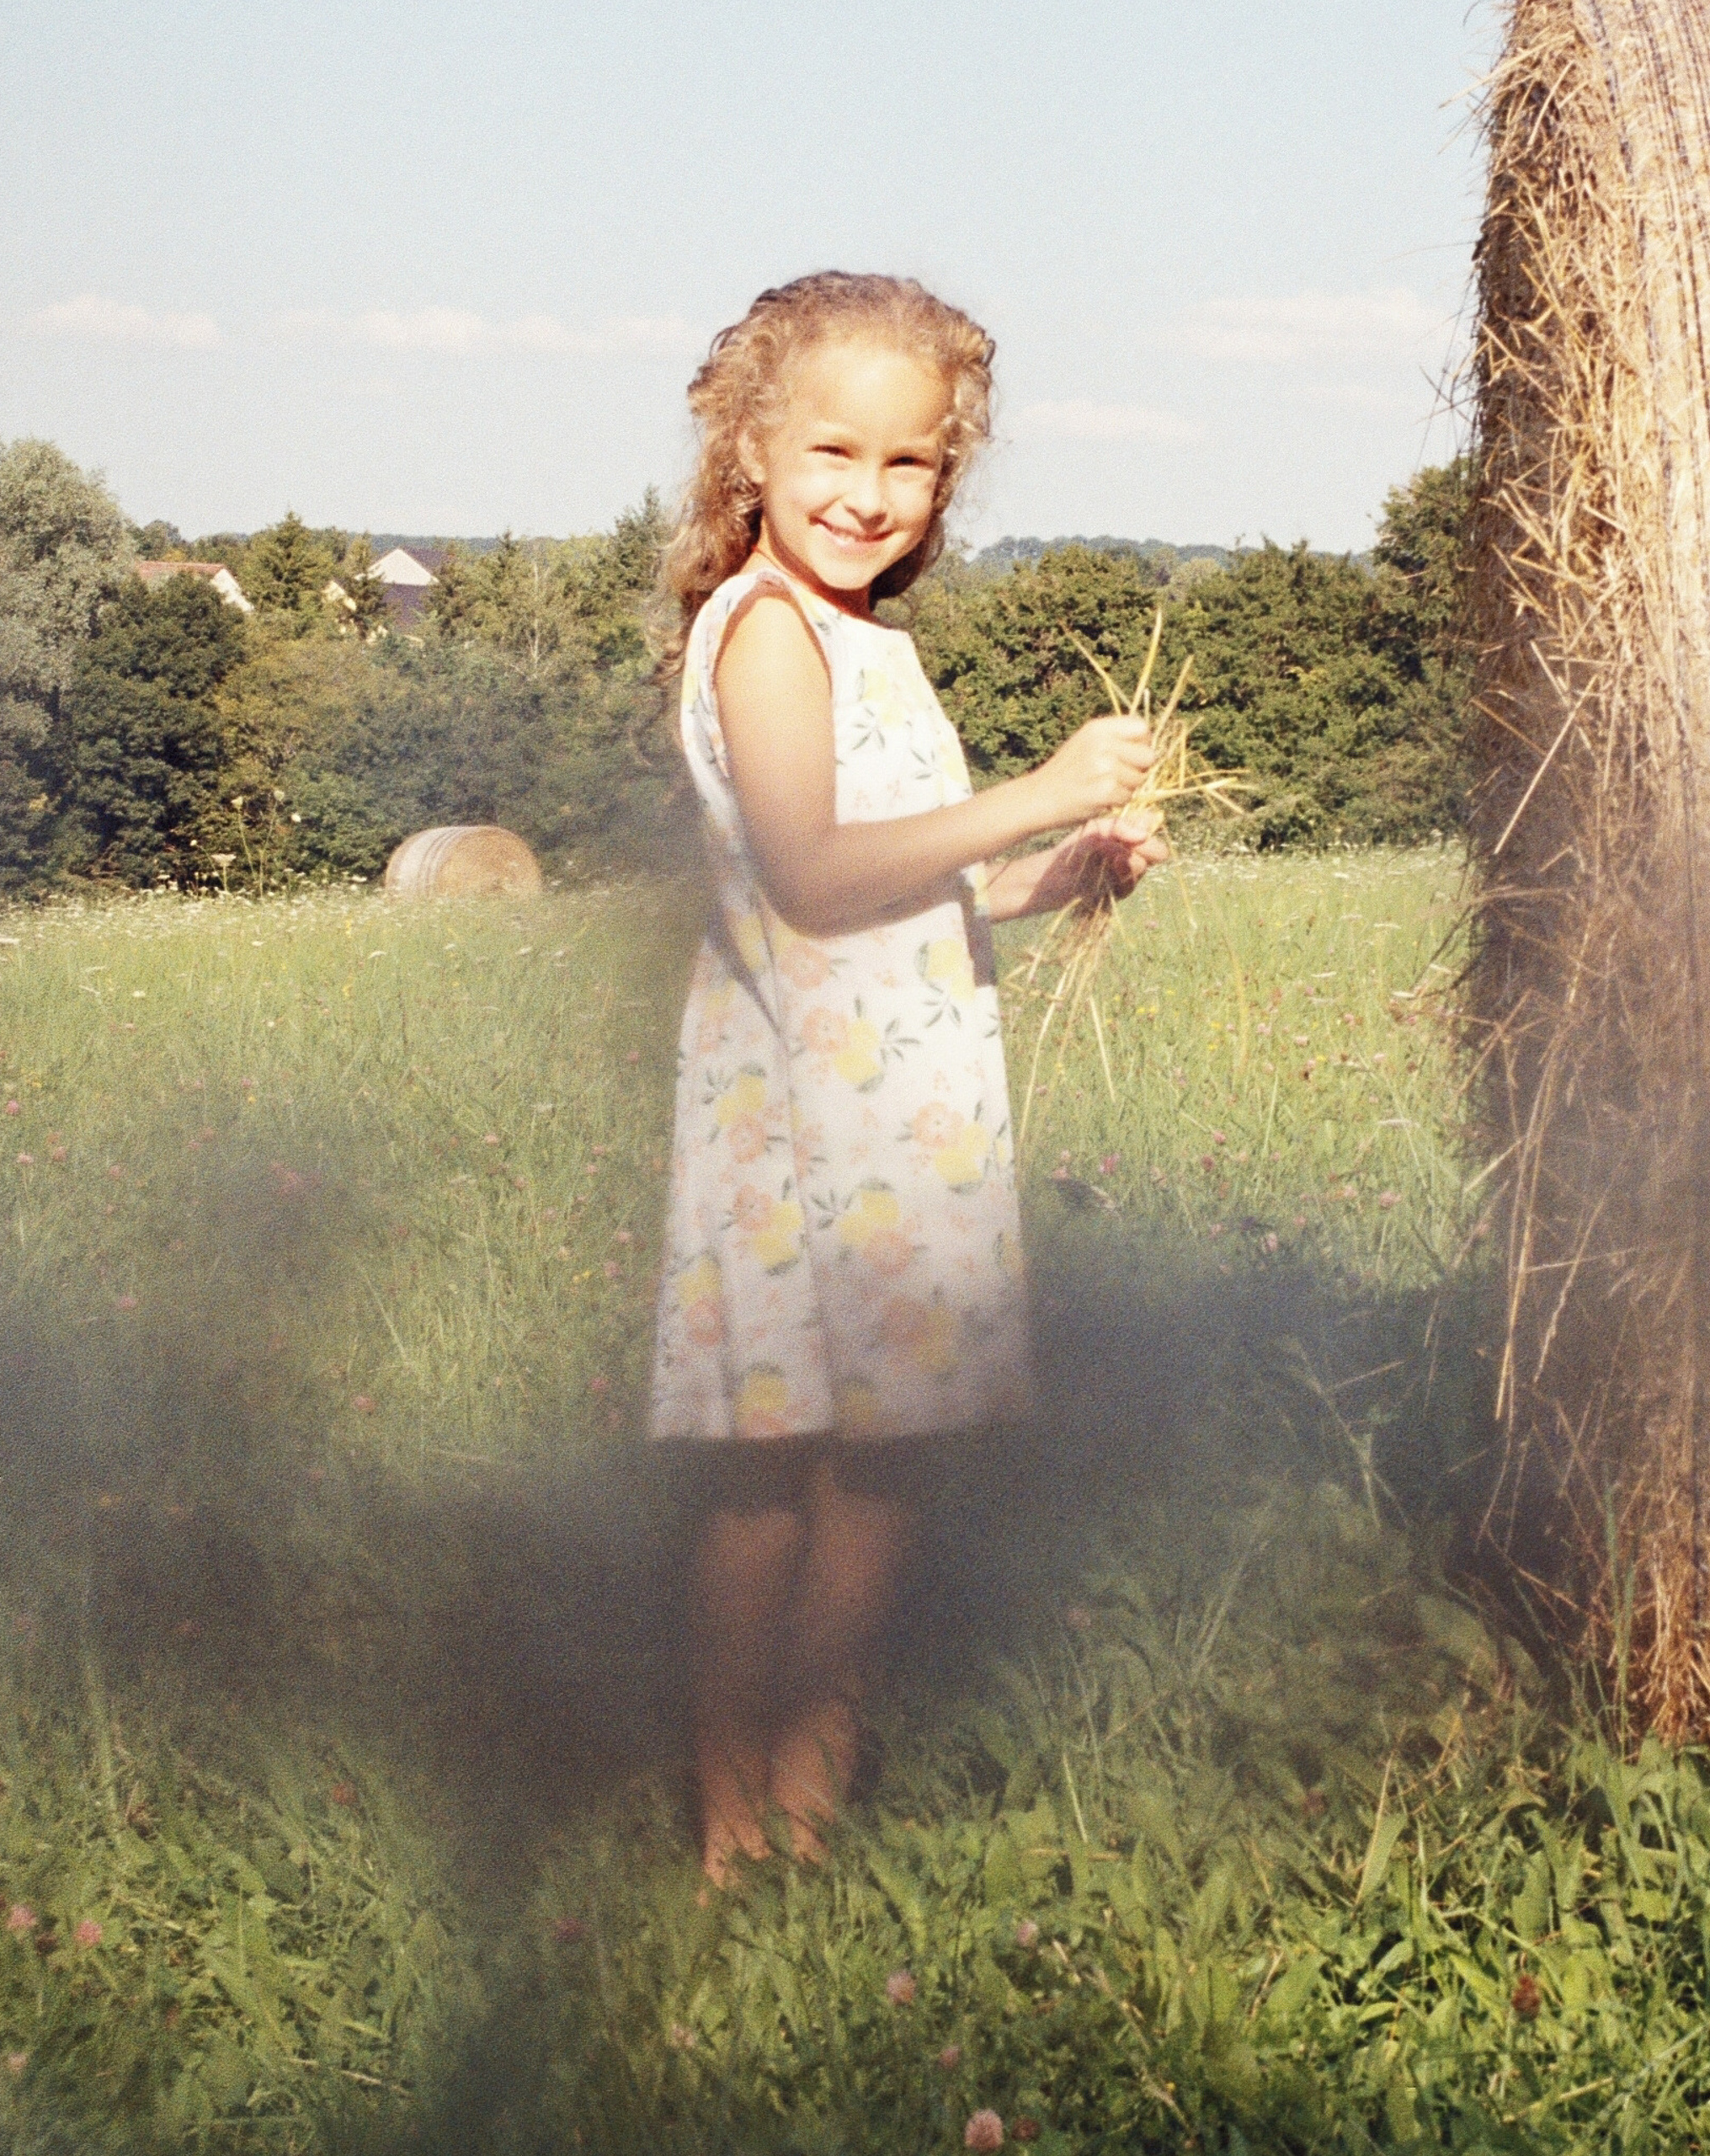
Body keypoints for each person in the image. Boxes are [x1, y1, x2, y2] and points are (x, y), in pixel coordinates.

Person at [650, 272, 1168, 1885]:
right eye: (833, 453)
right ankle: (732, 1825)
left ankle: (814, 1809)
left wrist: (1063, 868)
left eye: (911, 465)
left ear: (948, 476)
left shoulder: (872, 641)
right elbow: (806, 871)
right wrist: (1034, 791)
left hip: (905, 1115)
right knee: (768, 1497)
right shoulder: (767, 637)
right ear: (748, 449)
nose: (868, 497)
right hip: (800, 1121)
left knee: (881, 1486)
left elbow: (901, 883)